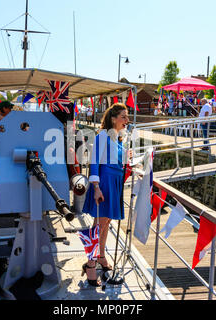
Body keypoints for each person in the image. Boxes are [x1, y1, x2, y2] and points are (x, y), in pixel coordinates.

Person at [81, 103, 131, 287]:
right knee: (99, 226)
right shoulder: (102, 135)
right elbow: (94, 163)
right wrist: (96, 187)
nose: (127, 120)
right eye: (124, 117)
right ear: (113, 119)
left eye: (127, 117)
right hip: (104, 183)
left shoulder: (118, 138)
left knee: (106, 223)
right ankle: (90, 263)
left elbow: (117, 162)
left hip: (115, 183)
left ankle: (101, 256)